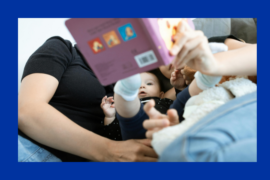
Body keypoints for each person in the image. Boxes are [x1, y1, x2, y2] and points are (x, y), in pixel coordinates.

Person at [18, 36, 158, 162]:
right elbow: (27, 110)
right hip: (28, 148)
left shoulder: (131, 87)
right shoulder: (63, 49)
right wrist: (108, 151)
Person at [142, 21, 257, 162]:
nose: (169, 57)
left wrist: (215, 64)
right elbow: (176, 106)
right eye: (163, 61)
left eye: (168, 46)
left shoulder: (212, 46)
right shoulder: (176, 91)